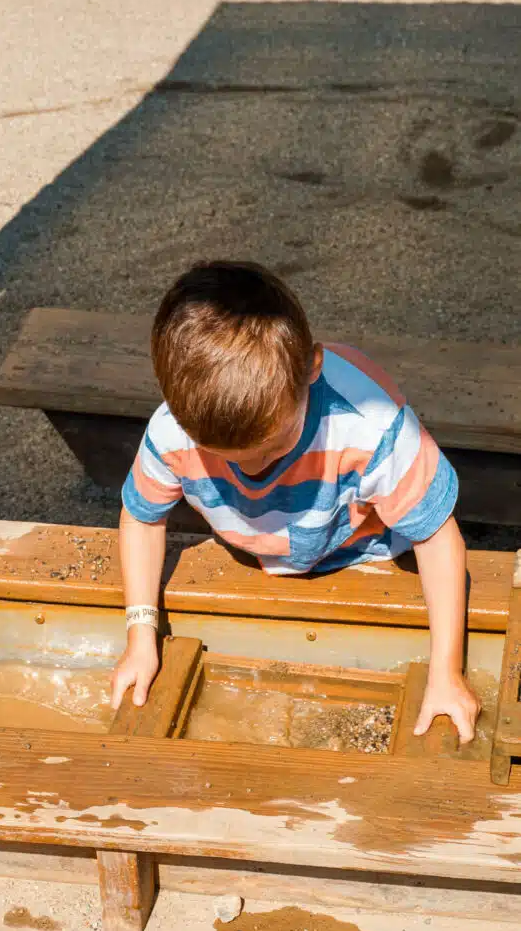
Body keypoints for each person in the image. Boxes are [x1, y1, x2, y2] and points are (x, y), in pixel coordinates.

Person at [110, 260, 480, 743]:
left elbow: (435, 536)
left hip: (362, 551)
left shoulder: (370, 425)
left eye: (273, 447)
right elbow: (141, 517)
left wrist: (446, 672)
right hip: (257, 545)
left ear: (312, 367)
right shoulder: (173, 430)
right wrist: (140, 635)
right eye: (227, 458)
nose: (256, 468)